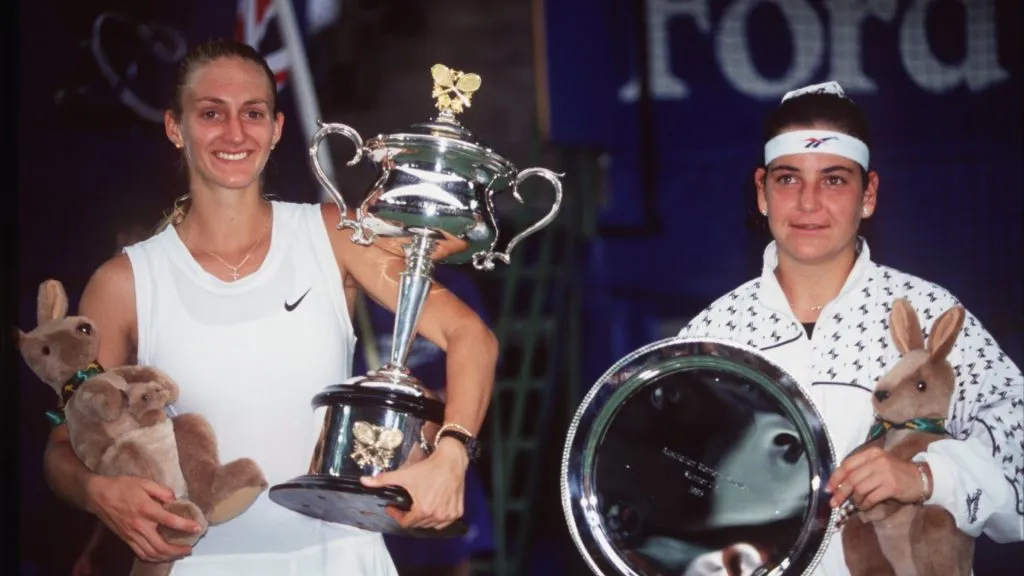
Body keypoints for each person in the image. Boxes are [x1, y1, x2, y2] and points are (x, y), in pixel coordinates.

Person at [42, 38, 498, 576]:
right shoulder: (124, 282)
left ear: (276, 128)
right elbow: (62, 447)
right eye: (211, 113)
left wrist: (451, 453)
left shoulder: (333, 234)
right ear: (175, 127)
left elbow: (472, 337)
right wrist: (99, 492)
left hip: (339, 559)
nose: (234, 133)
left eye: (252, 113)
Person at [676, 81, 1023, 574]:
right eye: (789, 179)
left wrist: (926, 476)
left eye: (834, 180)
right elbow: (670, 496)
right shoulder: (713, 334)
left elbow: (1017, 436)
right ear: (762, 192)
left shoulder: (928, 313)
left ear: (869, 194)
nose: (809, 202)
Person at [351, 266, 496, 576]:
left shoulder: (455, 287)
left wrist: (446, 433)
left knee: (447, 551)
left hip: (437, 445)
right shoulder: (356, 279)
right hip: (371, 456)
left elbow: (476, 361)